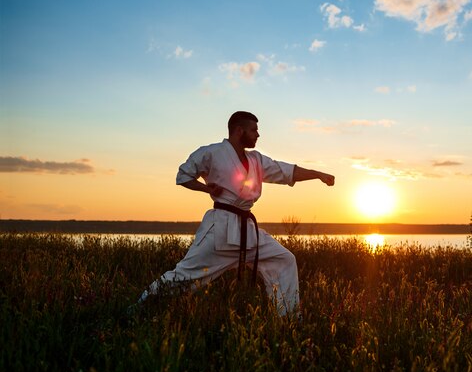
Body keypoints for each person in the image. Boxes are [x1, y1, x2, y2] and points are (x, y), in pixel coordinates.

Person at [132, 111, 335, 317]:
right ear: (239, 131)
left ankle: (288, 319)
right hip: (220, 228)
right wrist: (206, 189)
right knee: (184, 276)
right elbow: (184, 175)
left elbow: (287, 171)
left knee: (284, 259)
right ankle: (137, 310)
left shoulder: (256, 160)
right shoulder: (212, 153)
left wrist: (317, 174)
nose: (258, 135)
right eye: (254, 130)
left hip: (247, 230)